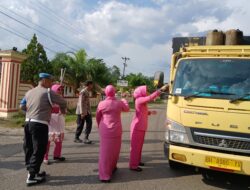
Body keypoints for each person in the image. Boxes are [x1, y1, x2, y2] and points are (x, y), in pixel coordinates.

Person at [21, 73, 67, 186]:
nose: (51, 84)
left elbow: (21, 106)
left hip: (27, 123)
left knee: (29, 148)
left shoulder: (29, 92)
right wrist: (63, 110)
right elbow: (63, 102)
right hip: (39, 124)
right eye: (50, 81)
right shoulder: (48, 92)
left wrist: (30, 113)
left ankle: (33, 171)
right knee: (39, 150)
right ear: (45, 81)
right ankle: (31, 176)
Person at [129, 84, 168, 172]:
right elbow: (150, 97)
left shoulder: (142, 102)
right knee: (135, 147)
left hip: (141, 127)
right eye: (145, 91)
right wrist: (160, 90)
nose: (147, 92)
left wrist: (150, 112)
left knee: (139, 146)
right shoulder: (139, 100)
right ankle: (133, 165)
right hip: (137, 127)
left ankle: (137, 161)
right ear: (141, 92)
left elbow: (142, 112)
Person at [96, 85, 130, 182]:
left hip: (105, 130)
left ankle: (104, 175)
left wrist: (100, 127)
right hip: (116, 130)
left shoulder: (101, 104)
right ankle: (112, 167)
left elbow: (98, 117)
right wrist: (124, 100)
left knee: (105, 153)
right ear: (114, 92)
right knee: (115, 151)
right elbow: (127, 109)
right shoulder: (119, 103)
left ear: (106, 93)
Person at [43, 84, 66, 165]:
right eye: (58, 89)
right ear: (54, 90)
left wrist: (62, 111)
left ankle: (57, 155)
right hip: (51, 123)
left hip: (59, 122)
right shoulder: (49, 99)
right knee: (48, 141)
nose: (60, 91)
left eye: (61, 89)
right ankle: (45, 157)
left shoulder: (61, 99)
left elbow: (64, 110)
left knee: (59, 140)